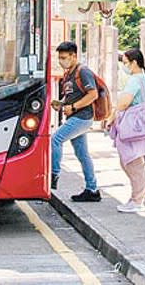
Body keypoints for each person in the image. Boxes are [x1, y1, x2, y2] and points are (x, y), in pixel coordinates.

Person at [106, 48, 145, 213]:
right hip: (139, 127)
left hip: (132, 128)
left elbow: (124, 102)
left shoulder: (134, 79)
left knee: (132, 163)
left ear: (134, 63)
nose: (124, 67)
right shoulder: (143, 77)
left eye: (126, 63)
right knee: (130, 162)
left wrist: (112, 116)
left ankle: (137, 200)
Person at [50, 41, 101, 202]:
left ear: (74, 56)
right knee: (82, 154)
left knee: (55, 139)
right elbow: (71, 95)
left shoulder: (83, 71)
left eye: (64, 57)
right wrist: (61, 103)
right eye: (59, 58)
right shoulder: (69, 74)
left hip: (82, 117)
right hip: (75, 116)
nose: (61, 61)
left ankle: (54, 174)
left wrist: (73, 107)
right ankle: (92, 189)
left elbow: (93, 94)